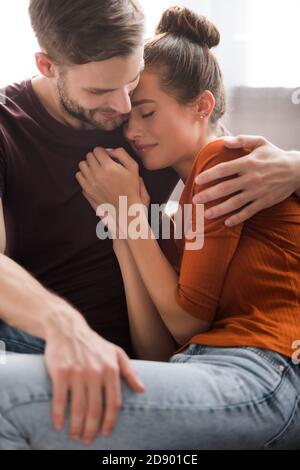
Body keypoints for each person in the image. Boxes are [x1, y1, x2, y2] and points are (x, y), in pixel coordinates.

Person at [1, 5, 299, 450]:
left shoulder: (207, 163)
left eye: (134, 89)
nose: (123, 113)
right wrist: (121, 225)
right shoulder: (12, 130)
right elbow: (165, 349)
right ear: (47, 65)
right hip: (112, 353)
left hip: (227, 366)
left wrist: (296, 163)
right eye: (104, 90)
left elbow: (184, 324)